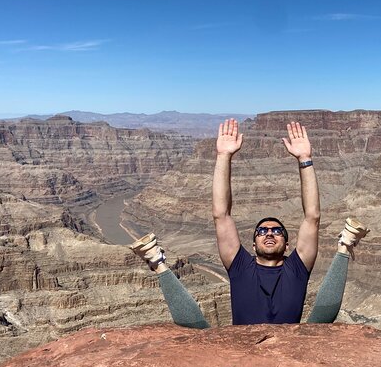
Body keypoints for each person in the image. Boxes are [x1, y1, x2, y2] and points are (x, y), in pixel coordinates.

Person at [130, 119, 368, 327]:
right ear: (253, 245)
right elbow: (221, 215)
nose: (269, 233)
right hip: (241, 353)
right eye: (262, 231)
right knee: (200, 333)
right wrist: (224, 156)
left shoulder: (296, 268)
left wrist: (305, 159)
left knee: (318, 325)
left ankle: (344, 246)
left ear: (287, 245)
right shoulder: (240, 267)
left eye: (277, 231)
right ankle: (157, 262)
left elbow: (312, 217)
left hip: (291, 350)